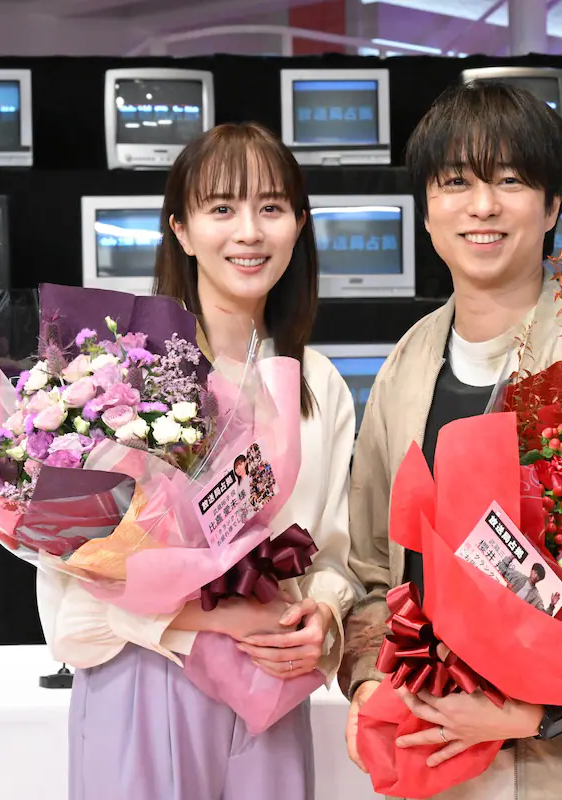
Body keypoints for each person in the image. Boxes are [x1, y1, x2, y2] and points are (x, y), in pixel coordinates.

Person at [340, 83, 562, 800]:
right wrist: (364, 683)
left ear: (553, 206)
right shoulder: (409, 363)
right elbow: (372, 569)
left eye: (510, 181)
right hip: (436, 758)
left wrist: (544, 714)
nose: (482, 206)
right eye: (456, 182)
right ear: (426, 209)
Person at [36, 122, 364, 800]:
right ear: (181, 230)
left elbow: (336, 555)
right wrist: (211, 617)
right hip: (141, 682)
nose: (249, 232)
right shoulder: (114, 377)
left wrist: (324, 617)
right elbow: (71, 601)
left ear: (299, 226)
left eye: (271, 207)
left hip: (268, 691)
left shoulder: (319, 384)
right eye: (221, 208)